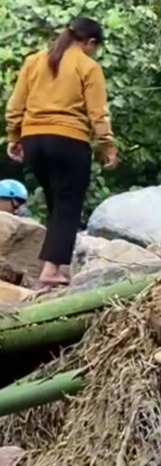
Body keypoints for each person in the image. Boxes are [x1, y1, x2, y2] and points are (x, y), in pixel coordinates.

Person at [5, 17, 118, 288]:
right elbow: (97, 112)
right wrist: (107, 144)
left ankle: (51, 265)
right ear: (90, 43)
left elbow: (16, 104)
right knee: (68, 204)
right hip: (68, 140)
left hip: (34, 140)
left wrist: (14, 136)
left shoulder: (34, 61)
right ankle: (52, 270)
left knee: (57, 202)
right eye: (96, 47)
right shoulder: (88, 66)